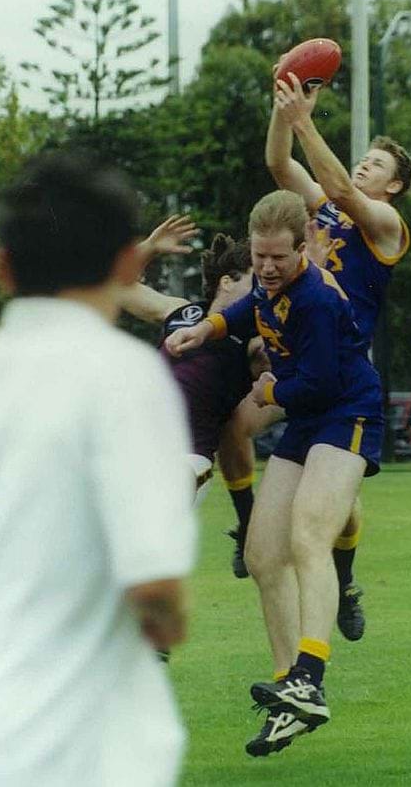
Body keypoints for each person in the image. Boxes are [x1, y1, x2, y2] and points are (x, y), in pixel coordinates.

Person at [0, 151, 198, 786]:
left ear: (1, 267)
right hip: (68, 745)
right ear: (125, 262)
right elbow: (156, 591)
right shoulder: (123, 377)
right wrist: (165, 622)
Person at [166, 190, 385, 757]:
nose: (265, 269)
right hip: (311, 419)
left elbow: (318, 384)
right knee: (264, 555)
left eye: (278, 259)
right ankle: (291, 694)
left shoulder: (313, 297)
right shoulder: (269, 285)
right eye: (259, 257)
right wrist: (205, 329)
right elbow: (245, 310)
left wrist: (268, 390)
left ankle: (310, 675)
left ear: (302, 250)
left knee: (308, 535)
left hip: (346, 411)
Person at [262, 68, 411, 641]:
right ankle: (244, 523)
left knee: (330, 504)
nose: (363, 165)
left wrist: (306, 118)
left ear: (394, 186)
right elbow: (282, 166)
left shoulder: (385, 224)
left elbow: (344, 191)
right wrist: (284, 109)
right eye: (364, 158)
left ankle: (343, 578)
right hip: (295, 358)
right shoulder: (326, 209)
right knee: (242, 417)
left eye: (377, 164)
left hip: (343, 368)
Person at [120, 228, 269, 575]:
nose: (264, 292)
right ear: (227, 282)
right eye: (256, 281)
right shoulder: (181, 312)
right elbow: (115, 287)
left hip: (189, 462)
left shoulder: (252, 340)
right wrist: (148, 249)